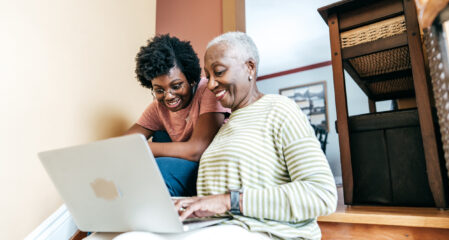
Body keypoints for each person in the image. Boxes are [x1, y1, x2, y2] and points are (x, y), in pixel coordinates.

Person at [109, 32, 336, 240]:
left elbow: (321, 194)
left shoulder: (280, 109)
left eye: (218, 72)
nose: (211, 84)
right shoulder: (224, 129)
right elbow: (212, 199)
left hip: (267, 230)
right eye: (208, 75)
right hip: (217, 226)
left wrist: (230, 201)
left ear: (250, 67)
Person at [124, 34, 230, 197]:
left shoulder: (207, 91)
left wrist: (144, 147)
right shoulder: (158, 108)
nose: (168, 96)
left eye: (176, 86)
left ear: (192, 79)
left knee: (156, 170)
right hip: (184, 161)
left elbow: (197, 150)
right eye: (159, 90)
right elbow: (122, 145)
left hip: (208, 166)